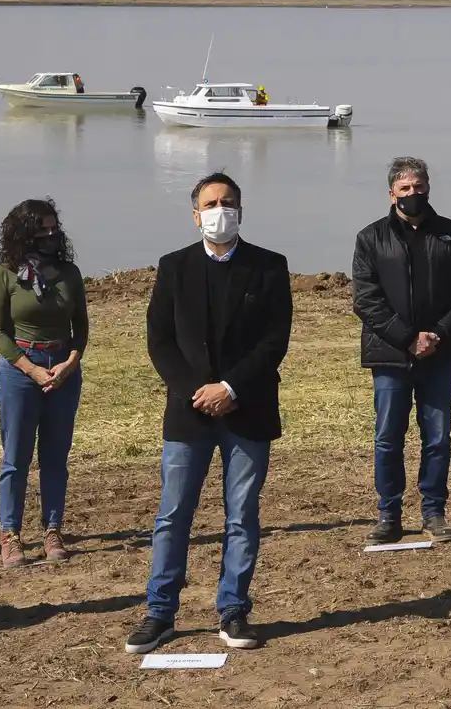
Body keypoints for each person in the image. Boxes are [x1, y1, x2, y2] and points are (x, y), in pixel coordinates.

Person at [125, 172, 293, 654]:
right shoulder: (173, 267)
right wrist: (196, 390)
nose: (221, 210)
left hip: (248, 409)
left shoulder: (269, 266)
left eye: (229, 202)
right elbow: (159, 339)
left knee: (242, 515)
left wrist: (231, 387)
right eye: (211, 203)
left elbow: (274, 340)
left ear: (241, 209)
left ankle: (233, 610)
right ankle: (160, 613)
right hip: (189, 412)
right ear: (196, 214)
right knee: (173, 515)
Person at [352, 157, 451, 545]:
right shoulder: (370, 237)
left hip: (440, 354)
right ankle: (388, 515)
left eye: (419, 186)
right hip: (390, 354)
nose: (413, 194)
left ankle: (434, 512)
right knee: (388, 436)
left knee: (438, 436)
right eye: (405, 188)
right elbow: (366, 298)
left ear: (428, 187)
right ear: (391, 193)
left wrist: (437, 334)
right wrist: (407, 337)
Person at [0, 199, 89, 568]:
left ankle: (52, 529)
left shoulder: (69, 273)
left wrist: (69, 364)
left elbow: (81, 330)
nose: (49, 235)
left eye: (53, 228)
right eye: (41, 229)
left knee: (55, 457)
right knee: (16, 458)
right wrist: (30, 369)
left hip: (63, 370)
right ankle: (10, 535)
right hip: (20, 372)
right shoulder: (5, 273)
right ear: (22, 232)